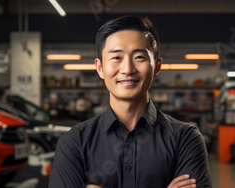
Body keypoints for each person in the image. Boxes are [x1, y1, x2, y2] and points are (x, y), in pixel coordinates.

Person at [49, 15, 212, 188]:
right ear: (100, 68)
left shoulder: (185, 139)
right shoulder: (74, 143)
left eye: (139, 57)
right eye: (116, 58)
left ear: (156, 66)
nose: (127, 69)